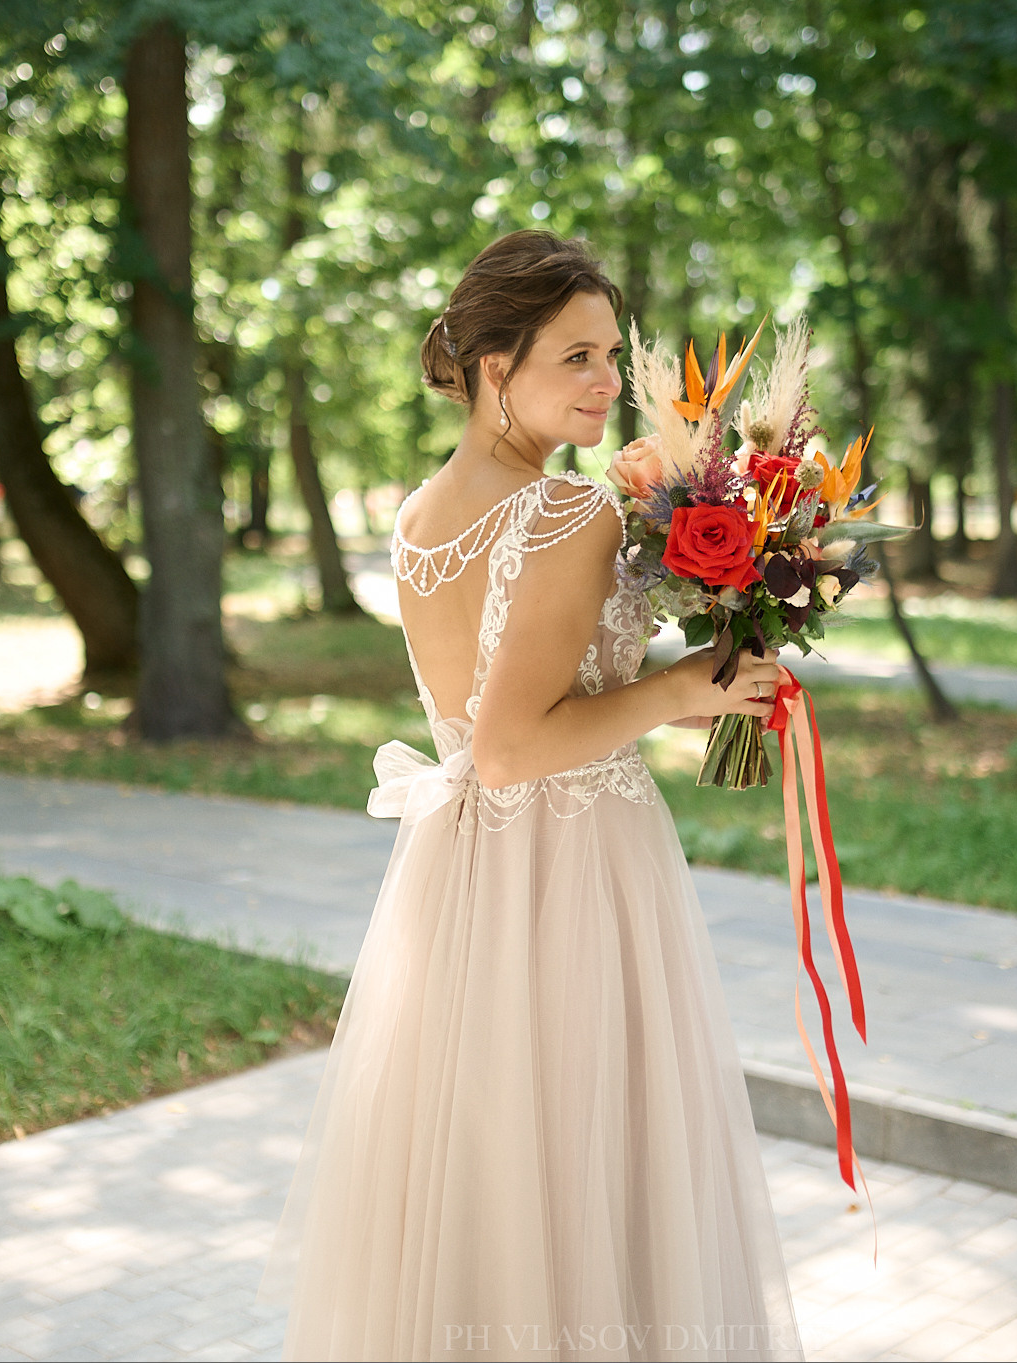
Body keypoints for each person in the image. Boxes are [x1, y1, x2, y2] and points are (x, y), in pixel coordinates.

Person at [257, 230, 801, 1361]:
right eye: (577, 358)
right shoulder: (565, 513)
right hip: (568, 869)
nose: (609, 382)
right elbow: (512, 746)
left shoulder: (420, 512)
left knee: (485, 1168)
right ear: (494, 365)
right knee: (583, 1162)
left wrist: (684, 691)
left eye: (612, 354)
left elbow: (498, 714)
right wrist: (677, 686)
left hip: (455, 878)